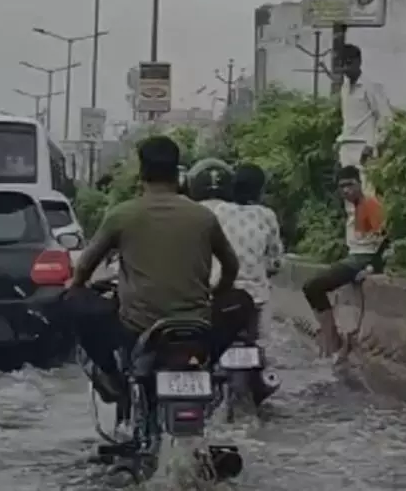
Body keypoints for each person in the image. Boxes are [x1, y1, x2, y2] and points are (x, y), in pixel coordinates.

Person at [64, 136, 251, 405]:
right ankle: (207, 368)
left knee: (73, 300)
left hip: (137, 329)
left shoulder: (123, 214)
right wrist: (216, 294)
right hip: (196, 328)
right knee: (241, 301)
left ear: (142, 174)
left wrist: (77, 284)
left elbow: (84, 267)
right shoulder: (203, 217)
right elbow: (231, 267)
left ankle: (112, 378)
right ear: (178, 174)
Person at [302, 166, 385, 356]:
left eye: (350, 185)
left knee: (313, 287)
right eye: (342, 187)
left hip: (362, 259)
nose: (346, 190)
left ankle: (331, 339)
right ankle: (330, 335)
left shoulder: (370, 205)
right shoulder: (355, 206)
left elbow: (386, 238)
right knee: (311, 287)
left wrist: (373, 267)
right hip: (354, 257)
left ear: (359, 183)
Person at [208, 164, 284, 341]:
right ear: (260, 189)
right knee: (260, 343)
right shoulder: (267, 215)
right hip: (256, 296)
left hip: (222, 292)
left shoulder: (219, 211)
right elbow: (276, 260)